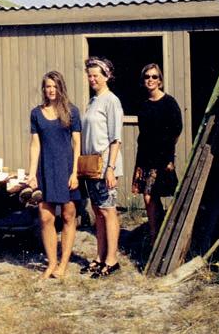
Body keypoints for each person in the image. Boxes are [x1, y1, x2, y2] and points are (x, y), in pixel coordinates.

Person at [26, 71, 81, 279]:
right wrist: (32, 174)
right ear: (44, 89)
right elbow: (35, 145)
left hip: (66, 169)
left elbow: (77, 144)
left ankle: (63, 264)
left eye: (55, 86)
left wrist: (75, 173)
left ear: (61, 88)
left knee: (68, 215)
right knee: (46, 217)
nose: (51, 90)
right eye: (48, 86)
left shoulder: (72, 111)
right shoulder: (36, 113)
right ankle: (51, 263)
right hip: (46, 170)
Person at [81, 57, 124, 278]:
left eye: (96, 75)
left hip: (106, 164)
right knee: (97, 211)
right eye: (89, 75)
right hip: (92, 165)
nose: (92, 79)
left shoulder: (111, 101)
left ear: (107, 76)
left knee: (108, 211)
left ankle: (112, 260)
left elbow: (115, 139)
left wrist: (111, 168)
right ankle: (100, 256)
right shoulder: (92, 101)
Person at [132, 63, 182, 243]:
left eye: (154, 76)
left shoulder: (169, 102)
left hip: (162, 158)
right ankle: (156, 234)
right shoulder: (143, 104)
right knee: (149, 197)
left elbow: (176, 130)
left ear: (160, 80)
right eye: (147, 77)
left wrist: (169, 157)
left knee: (150, 196)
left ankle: (155, 236)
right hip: (145, 157)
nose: (150, 80)